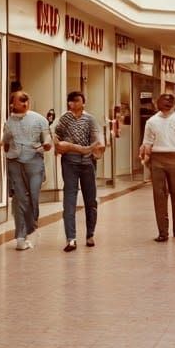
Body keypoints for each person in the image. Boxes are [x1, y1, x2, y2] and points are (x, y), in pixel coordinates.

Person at [139, 92, 175, 242]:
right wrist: (146, 160)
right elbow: (148, 143)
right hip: (158, 158)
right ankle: (163, 232)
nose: (165, 108)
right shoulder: (152, 121)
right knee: (159, 195)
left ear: (173, 105)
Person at [53, 90, 104, 251]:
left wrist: (95, 148)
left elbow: (97, 141)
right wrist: (59, 144)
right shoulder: (64, 119)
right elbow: (55, 134)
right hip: (69, 163)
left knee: (91, 200)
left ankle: (90, 234)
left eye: (77, 101)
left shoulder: (90, 119)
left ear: (83, 102)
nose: (73, 104)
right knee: (69, 199)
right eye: (71, 101)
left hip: (87, 163)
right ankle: (71, 239)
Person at [2, 89, 51, 250]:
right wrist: (9, 151)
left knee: (34, 196)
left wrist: (45, 146)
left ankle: (31, 225)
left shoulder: (39, 119)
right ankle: (21, 237)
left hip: (35, 162)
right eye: (20, 100)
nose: (24, 103)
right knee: (20, 199)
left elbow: (48, 141)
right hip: (15, 163)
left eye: (26, 100)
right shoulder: (8, 122)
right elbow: (6, 141)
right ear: (12, 104)